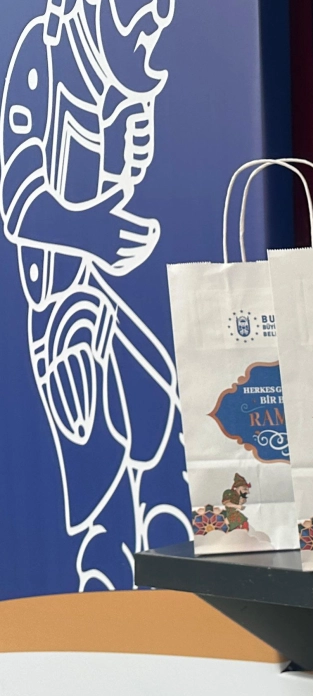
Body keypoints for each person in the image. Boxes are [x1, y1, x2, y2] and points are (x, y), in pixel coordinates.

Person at [2, 1, 183, 589]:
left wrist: (129, 154)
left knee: (163, 417)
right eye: (143, 16)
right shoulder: (43, 53)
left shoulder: (114, 84)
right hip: (61, 307)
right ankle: (105, 575)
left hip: (108, 293)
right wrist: (95, 233)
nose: (152, 27)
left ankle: (177, 563)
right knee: (102, 464)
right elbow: (18, 199)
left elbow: (116, 185)